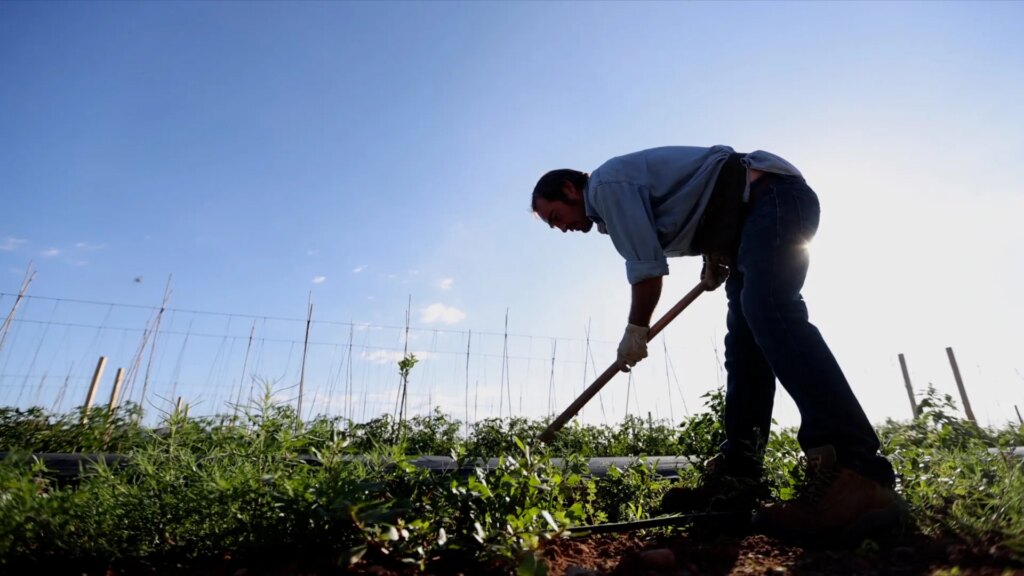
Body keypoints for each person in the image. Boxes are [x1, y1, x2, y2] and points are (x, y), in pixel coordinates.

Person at [531, 145, 903, 542]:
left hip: (774, 198)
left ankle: (858, 468)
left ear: (570, 189)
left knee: (769, 307)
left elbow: (647, 272)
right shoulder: (610, 203)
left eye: (556, 216)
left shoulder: (606, 186)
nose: (562, 228)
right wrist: (714, 255)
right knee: (744, 346)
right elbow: (705, 196)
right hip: (748, 222)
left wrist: (635, 330)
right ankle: (738, 479)